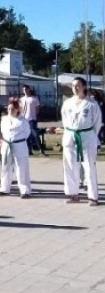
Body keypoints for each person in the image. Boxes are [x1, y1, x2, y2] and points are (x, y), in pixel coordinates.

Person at [61, 77, 102, 206]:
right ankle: (73, 194)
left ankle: (93, 197)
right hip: (70, 135)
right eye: (73, 86)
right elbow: (65, 120)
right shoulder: (67, 103)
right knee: (70, 166)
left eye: (78, 85)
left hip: (87, 137)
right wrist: (69, 132)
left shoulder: (91, 103)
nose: (75, 88)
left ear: (84, 87)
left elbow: (97, 122)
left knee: (89, 167)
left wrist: (90, 135)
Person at [0, 99, 32, 198]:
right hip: (7, 145)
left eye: (12, 109)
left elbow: (27, 133)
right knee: (6, 167)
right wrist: (5, 141)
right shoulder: (4, 119)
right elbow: (3, 131)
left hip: (19, 145)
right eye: (8, 109)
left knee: (21, 168)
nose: (10, 111)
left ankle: (25, 190)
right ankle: (4, 188)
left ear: (17, 110)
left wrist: (17, 140)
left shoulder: (23, 120)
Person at [19, 86, 43, 156]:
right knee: (27, 136)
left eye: (26, 89)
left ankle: (41, 150)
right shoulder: (22, 99)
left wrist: (35, 116)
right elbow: (20, 109)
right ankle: (29, 150)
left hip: (32, 119)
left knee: (35, 135)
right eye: (23, 89)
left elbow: (37, 109)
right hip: (24, 120)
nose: (25, 91)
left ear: (29, 90)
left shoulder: (34, 99)